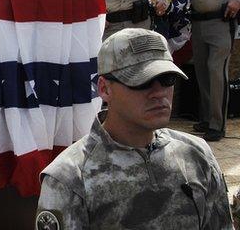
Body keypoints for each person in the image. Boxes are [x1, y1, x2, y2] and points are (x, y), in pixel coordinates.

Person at [36, 28, 233, 229]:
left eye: (167, 80)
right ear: (104, 88)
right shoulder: (70, 177)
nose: (159, 93)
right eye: (142, 82)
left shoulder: (195, 154)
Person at [184, 0, 240, 141]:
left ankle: (218, 125)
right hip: (197, 24)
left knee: (217, 72)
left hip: (221, 23)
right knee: (203, 73)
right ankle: (207, 119)